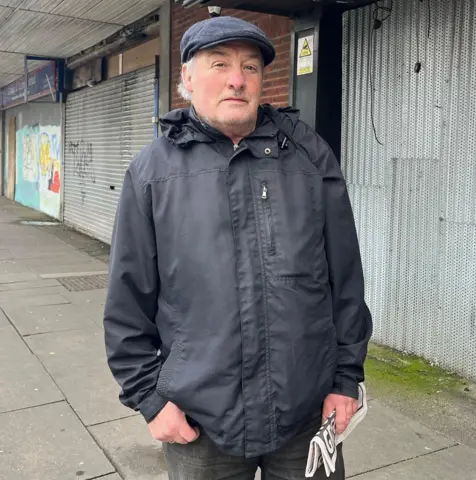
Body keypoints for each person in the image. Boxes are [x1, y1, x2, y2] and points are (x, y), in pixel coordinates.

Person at [103, 15, 372, 480]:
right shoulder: (152, 172)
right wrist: (149, 399)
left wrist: (346, 379)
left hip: (305, 414)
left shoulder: (309, 157)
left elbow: (345, 279)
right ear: (187, 76)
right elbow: (127, 302)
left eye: (250, 67)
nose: (236, 79)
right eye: (220, 63)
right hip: (200, 422)